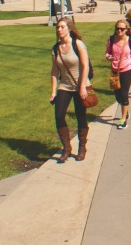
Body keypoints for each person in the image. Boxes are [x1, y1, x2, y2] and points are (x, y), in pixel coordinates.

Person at [50, 18, 90, 162]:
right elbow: (54, 71)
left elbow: (85, 66)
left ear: (69, 29)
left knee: (80, 116)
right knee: (59, 115)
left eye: (62, 27)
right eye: (58, 27)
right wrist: (53, 91)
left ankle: (82, 147)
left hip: (80, 85)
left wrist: (83, 86)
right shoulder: (55, 48)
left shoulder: (78, 44)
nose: (59, 29)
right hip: (65, 86)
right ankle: (66, 148)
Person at [105, 20, 131, 129]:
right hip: (115, 70)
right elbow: (107, 53)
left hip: (127, 69)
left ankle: (123, 119)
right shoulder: (111, 40)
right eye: (117, 28)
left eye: (122, 29)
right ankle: (126, 111)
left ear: (126, 29)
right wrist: (108, 57)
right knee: (118, 96)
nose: (119, 31)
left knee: (124, 93)